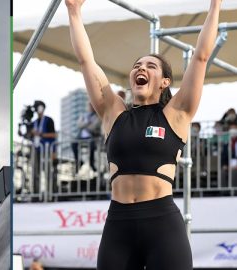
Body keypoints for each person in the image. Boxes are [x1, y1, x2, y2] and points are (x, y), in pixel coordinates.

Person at [65, 0, 222, 269]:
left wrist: (215, 5)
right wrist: (73, 11)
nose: (141, 68)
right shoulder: (113, 112)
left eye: (150, 66)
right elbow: (86, 61)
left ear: (164, 82)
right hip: (118, 225)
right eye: (137, 65)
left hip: (162, 224)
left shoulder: (176, 114)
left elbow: (201, 57)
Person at [31, 100, 57, 198]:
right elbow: (29, 136)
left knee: (48, 172)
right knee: (35, 173)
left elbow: (53, 134)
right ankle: (36, 194)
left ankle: (51, 194)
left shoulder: (48, 120)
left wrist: (40, 134)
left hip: (46, 150)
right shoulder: (34, 123)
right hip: (36, 149)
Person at [71, 103, 101, 174]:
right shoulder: (84, 115)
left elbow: (93, 127)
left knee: (92, 146)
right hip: (81, 137)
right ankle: (79, 161)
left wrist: (84, 124)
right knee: (73, 143)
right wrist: (88, 123)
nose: (91, 107)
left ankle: (91, 163)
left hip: (92, 137)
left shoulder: (98, 116)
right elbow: (79, 124)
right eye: (90, 106)